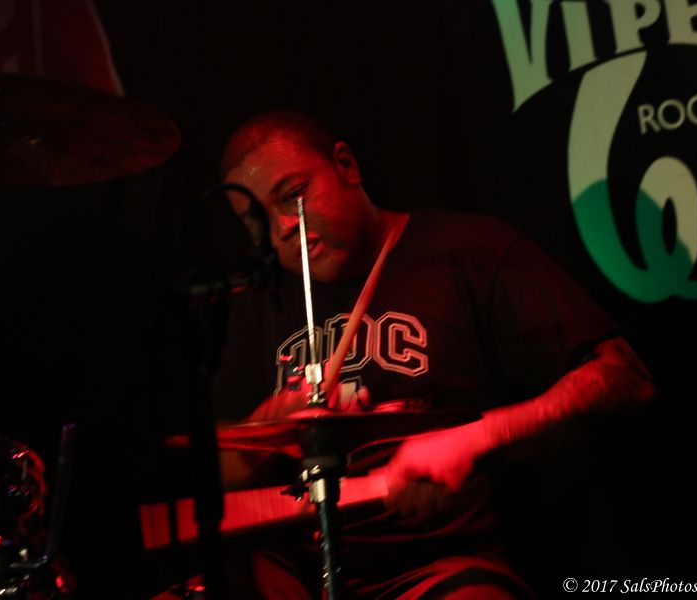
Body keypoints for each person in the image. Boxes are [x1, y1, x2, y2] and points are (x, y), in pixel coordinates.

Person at [210, 111, 654, 599]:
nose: (281, 228)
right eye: (256, 220)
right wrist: (273, 420)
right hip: (294, 573)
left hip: (438, 567)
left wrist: (476, 439)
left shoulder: (469, 251)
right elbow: (216, 472)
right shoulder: (259, 305)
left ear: (346, 165)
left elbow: (622, 375)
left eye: (293, 195)